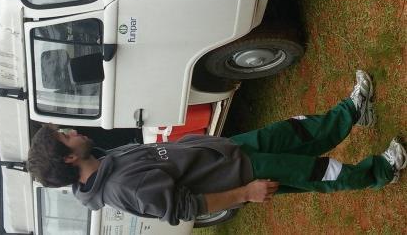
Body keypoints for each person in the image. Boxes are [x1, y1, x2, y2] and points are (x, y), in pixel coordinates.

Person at [27, 70, 406, 226]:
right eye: (65, 135)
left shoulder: (105, 162)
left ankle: (355, 111)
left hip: (228, 150)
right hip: (243, 174)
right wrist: (245, 193)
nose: (72, 130)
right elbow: (184, 207)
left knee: (296, 132)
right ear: (69, 157)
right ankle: (383, 172)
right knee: (319, 173)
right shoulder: (121, 188)